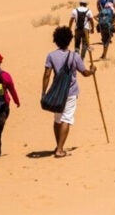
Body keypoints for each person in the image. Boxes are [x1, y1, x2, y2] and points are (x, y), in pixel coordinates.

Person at [42, 26, 96, 158]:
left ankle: (58, 145)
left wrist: (44, 93)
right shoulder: (74, 56)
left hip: (56, 93)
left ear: (56, 40)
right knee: (67, 119)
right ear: (69, 40)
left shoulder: (51, 56)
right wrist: (92, 70)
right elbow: (84, 73)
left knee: (57, 119)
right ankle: (60, 149)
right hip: (71, 92)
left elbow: (47, 75)